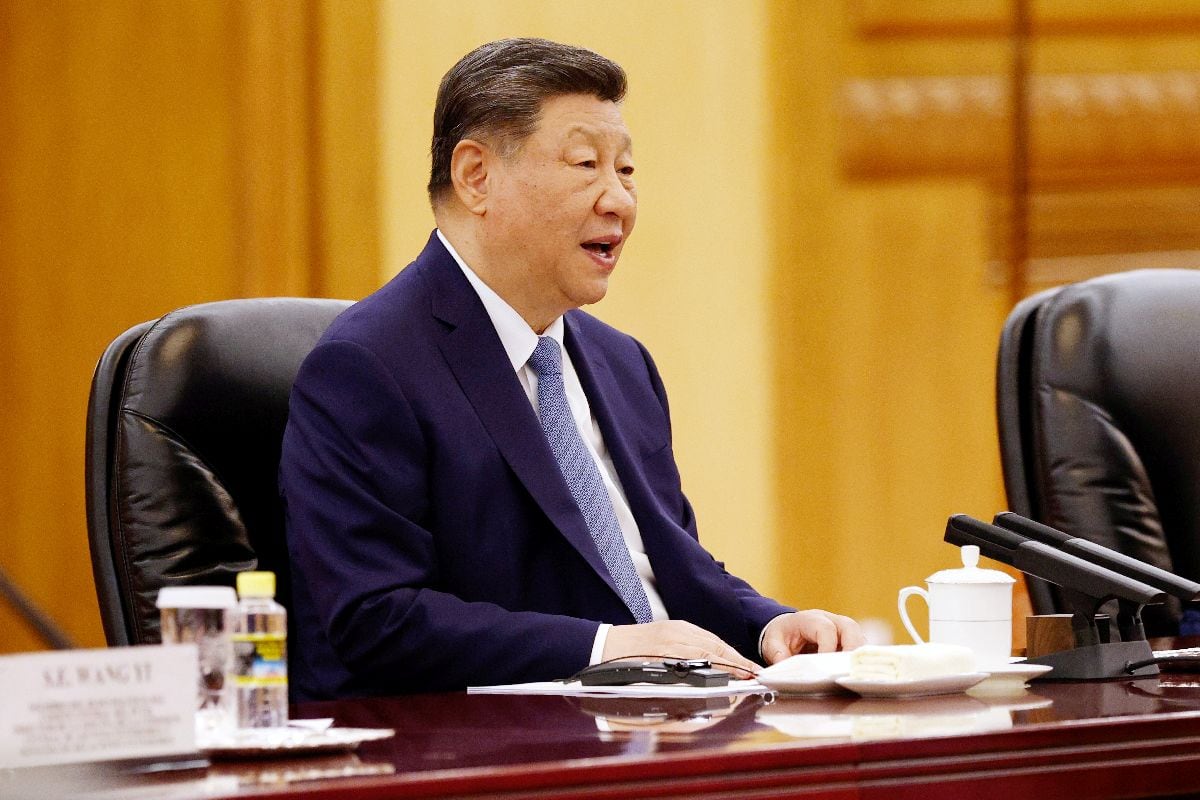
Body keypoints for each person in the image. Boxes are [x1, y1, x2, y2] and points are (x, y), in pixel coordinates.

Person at [280, 37, 863, 701]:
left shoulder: (621, 364)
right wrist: (606, 648)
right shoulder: (367, 367)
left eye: (628, 170)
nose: (619, 200)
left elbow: (669, 568)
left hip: (660, 728)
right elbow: (378, 618)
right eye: (587, 165)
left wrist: (772, 624)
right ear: (476, 176)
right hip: (485, 752)